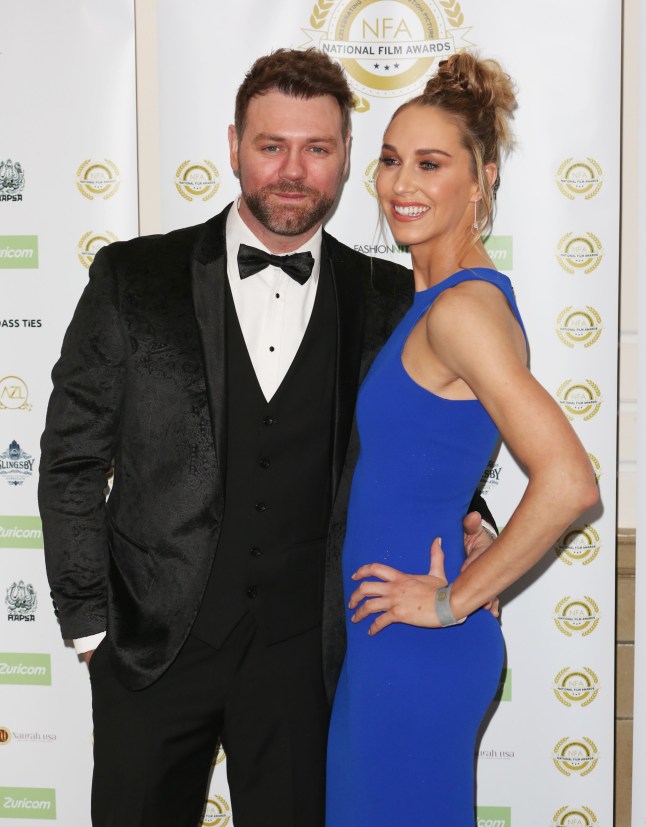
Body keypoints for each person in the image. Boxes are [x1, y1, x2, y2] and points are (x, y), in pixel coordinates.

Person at [38, 49, 496, 827]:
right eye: (271, 145)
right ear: (233, 146)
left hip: (306, 657)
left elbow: (417, 431)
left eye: (317, 149)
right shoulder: (132, 278)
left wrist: (471, 512)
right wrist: (91, 630)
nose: (293, 170)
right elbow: (71, 460)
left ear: (346, 159)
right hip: (151, 652)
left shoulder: (390, 296)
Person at [325, 53, 599, 826]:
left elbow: (570, 481)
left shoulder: (461, 312)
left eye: (431, 164)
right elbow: (434, 452)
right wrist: (473, 528)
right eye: (389, 161)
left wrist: (454, 600)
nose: (401, 184)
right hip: (390, 642)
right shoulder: (444, 299)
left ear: (481, 180)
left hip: (412, 652)